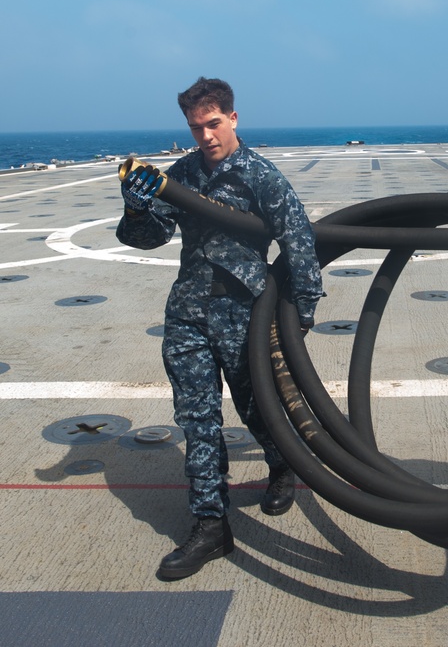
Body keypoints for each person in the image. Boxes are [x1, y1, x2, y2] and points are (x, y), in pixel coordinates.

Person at [117, 77, 324, 580]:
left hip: (244, 313)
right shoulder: (181, 174)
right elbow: (147, 237)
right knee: (197, 419)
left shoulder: (260, 176)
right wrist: (136, 205)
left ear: (233, 119)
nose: (206, 136)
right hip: (188, 312)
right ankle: (211, 525)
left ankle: (282, 465)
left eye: (213, 124)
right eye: (196, 127)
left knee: (258, 409)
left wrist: (303, 312)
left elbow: (298, 241)